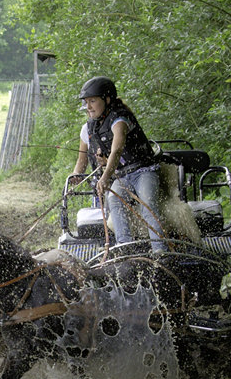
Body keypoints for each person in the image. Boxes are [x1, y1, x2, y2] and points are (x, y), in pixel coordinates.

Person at [71, 76, 167, 252]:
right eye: (86, 102)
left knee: (147, 204)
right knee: (114, 199)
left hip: (143, 170)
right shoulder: (92, 126)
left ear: (107, 100)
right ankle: (125, 248)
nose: (88, 106)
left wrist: (106, 177)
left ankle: (160, 250)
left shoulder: (121, 119)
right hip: (123, 176)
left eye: (92, 101)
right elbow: (102, 156)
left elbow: (117, 150)